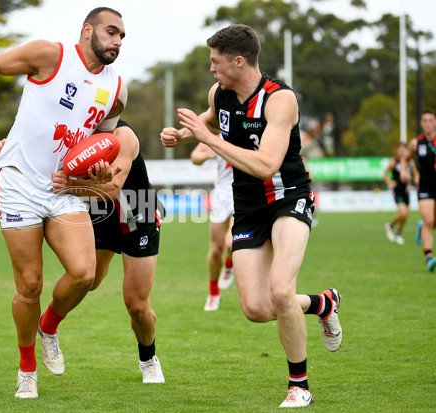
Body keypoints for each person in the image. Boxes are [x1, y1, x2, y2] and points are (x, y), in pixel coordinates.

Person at [0, 7, 127, 399]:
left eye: (122, 37)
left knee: (84, 275)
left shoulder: (116, 89)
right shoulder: (52, 55)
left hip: (62, 189)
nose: (117, 41)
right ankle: (27, 369)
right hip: (19, 182)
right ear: (87, 30)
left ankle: (50, 326)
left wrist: (95, 175)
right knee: (29, 284)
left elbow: (99, 145)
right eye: (112, 32)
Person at [160, 24, 342, 408]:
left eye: (215, 61)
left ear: (238, 61)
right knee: (257, 309)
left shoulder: (280, 100)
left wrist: (209, 140)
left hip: (288, 197)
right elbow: (212, 118)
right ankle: (323, 303)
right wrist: (185, 135)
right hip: (247, 207)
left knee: (280, 290)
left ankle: (300, 386)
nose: (211, 69)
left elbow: (266, 165)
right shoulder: (219, 93)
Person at [0, 119, 165, 383]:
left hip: (138, 217)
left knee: (136, 304)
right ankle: (47, 326)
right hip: (100, 216)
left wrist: (70, 186)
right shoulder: (71, 132)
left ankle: (148, 359)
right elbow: (33, 147)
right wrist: (7, 148)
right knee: (89, 280)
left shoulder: (124, 135)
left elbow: (112, 189)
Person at [190, 142, 234, 311]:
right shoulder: (218, 133)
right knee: (216, 250)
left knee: (232, 243)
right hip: (222, 195)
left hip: (245, 193)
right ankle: (213, 292)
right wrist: (205, 155)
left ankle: (230, 264)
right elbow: (195, 157)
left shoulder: (251, 128)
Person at [400, 110, 436, 271]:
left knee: (431, 222)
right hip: (425, 186)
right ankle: (429, 257)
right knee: (428, 220)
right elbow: (405, 158)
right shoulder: (416, 143)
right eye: (425, 121)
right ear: (421, 123)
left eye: (431, 120)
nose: (428, 123)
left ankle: (422, 227)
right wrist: (402, 171)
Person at [383, 143, 418, 245]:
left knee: (405, 215)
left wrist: (416, 178)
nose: (402, 151)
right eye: (400, 149)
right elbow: (385, 174)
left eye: (404, 149)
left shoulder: (410, 162)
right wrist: (390, 182)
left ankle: (397, 233)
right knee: (403, 213)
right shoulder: (394, 162)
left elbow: (416, 174)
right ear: (397, 151)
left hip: (406, 191)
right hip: (397, 190)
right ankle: (390, 226)